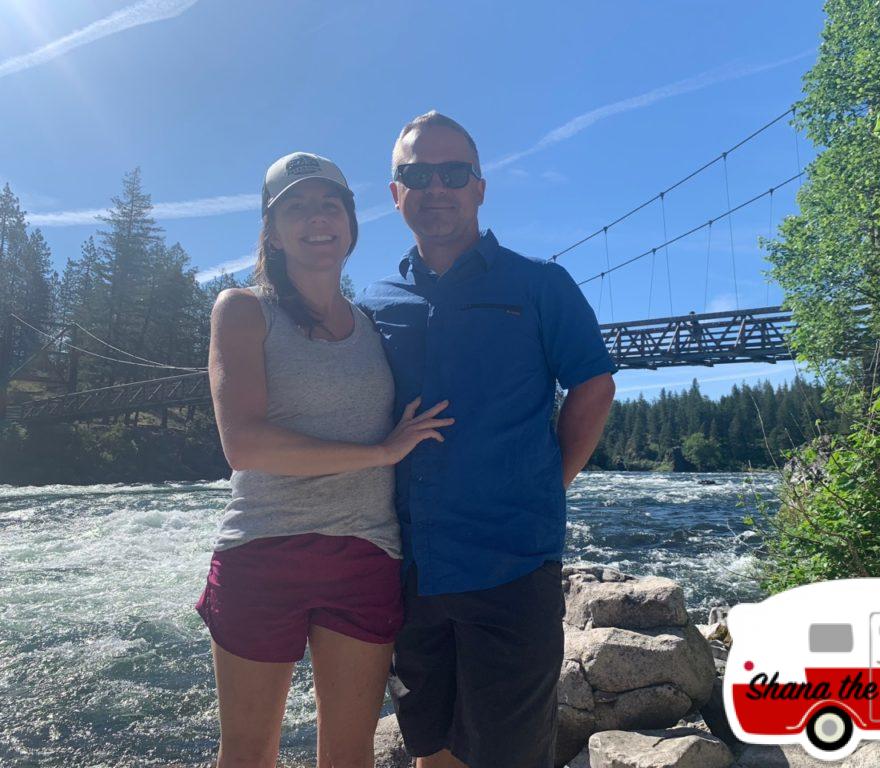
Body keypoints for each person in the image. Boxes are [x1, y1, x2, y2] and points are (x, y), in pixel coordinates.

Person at [359, 113, 617, 768]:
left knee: (510, 756)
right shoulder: (373, 303)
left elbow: (594, 387)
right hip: (410, 568)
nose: (436, 186)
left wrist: (547, 481)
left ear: (480, 188)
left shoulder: (540, 286)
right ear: (396, 195)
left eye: (453, 173)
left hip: (512, 565)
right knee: (432, 748)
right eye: (417, 174)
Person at [197, 151, 453, 768]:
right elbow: (246, 445)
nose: (317, 217)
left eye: (330, 204)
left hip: (364, 554)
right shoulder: (242, 310)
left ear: (351, 225)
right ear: (273, 231)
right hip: (262, 549)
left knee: (349, 755)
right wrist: (380, 452)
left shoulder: (374, 327)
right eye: (297, 206)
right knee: (248, 755)